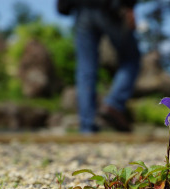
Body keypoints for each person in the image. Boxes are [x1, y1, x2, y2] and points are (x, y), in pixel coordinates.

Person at [57, 0, 140, 133]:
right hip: (109, 8)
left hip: (81, 9)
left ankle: (86, 126)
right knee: (131, 58)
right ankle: (114, 103)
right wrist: (129, 6)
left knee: (85, 69)